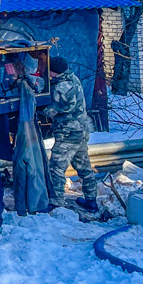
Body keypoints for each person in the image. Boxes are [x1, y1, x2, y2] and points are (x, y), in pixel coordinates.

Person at [44, 56, 98, 213]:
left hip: (68, 134)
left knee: (56, 168)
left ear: (54, 72)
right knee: (84, 167)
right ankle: (91, 201)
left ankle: (56, 202)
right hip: (81, 131)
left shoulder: (61, 88)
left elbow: (51, 111)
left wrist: (36, 106)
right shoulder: (72, 78)